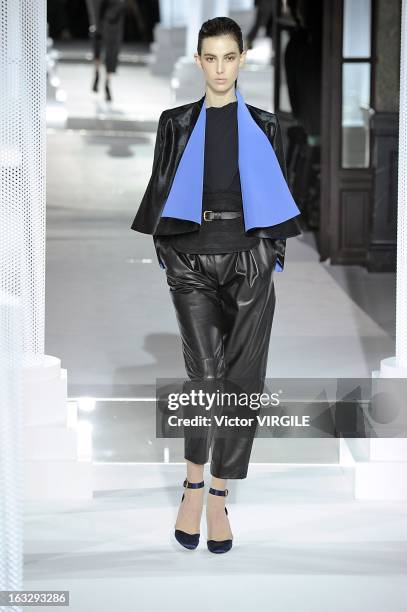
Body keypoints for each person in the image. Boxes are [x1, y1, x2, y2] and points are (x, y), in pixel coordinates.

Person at [130, 16, 302, 554]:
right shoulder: (175, 122)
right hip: (191, 260)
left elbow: (276, 195)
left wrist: (269, 253)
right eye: (211, 57)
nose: (221, 67)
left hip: (248, 259)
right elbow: (159, 189)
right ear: (200, 60)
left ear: (242, 59)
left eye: (230, 57)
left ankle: (220, 497)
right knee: (205, 374)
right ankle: (193, 485)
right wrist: (169, 252)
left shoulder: (266, 124)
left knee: (242, 378)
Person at [87, 0, 126, 101]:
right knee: (97, 36)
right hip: (99, 6)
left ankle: (107, 83)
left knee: (112, 46)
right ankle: (97, 72)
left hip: (115, 8)